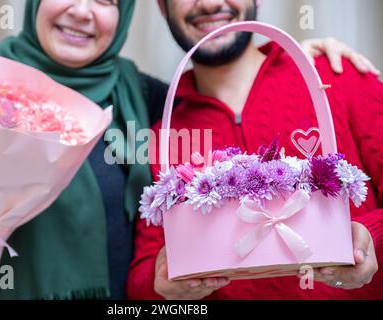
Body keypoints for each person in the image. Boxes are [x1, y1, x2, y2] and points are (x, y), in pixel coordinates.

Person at [0, 0, 377, 300]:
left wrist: (366, 242)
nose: (82, 11)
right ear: (162, 8)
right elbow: (148, 270)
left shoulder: (145, 99)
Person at [127, 0, 383, 300]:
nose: (209, 3)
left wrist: (369, 235)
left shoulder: (335, 76)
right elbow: (143, 276)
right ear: (162, 7)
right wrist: (161, 283)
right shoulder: (166, 135)